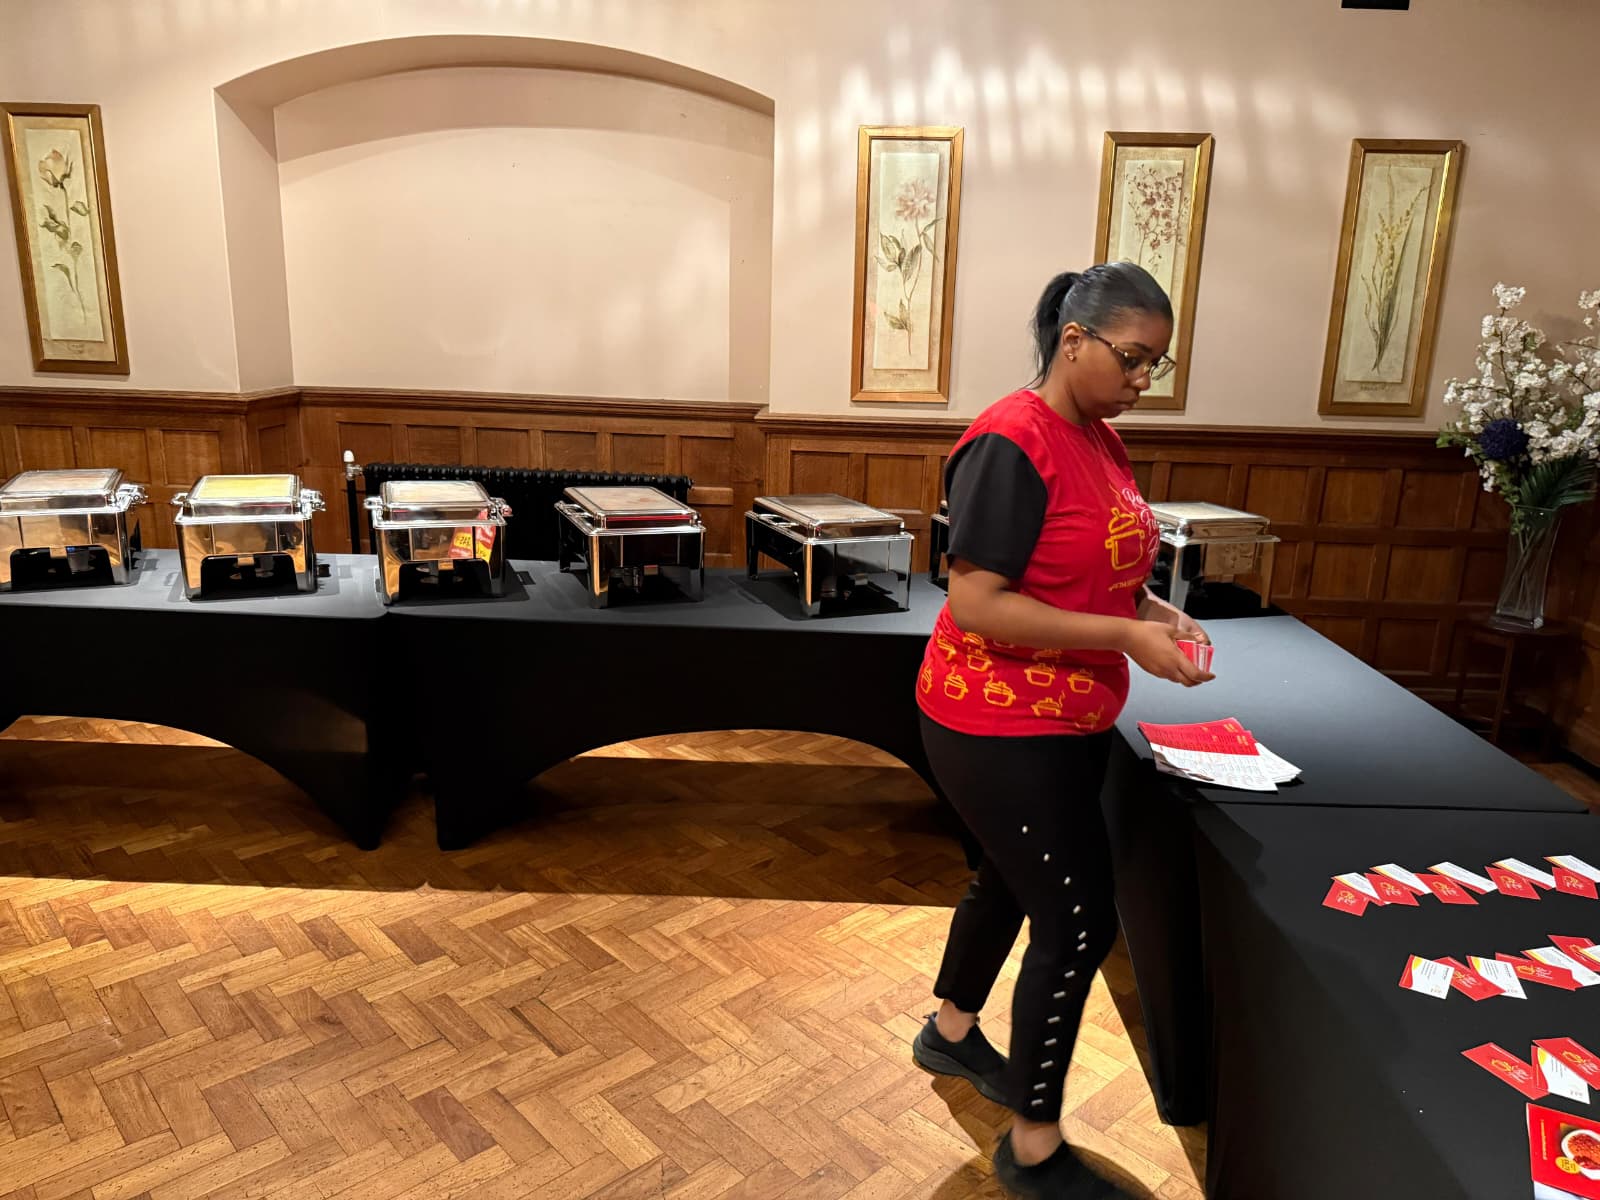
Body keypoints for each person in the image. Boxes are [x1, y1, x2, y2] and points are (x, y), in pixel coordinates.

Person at [909, 262, 1212, 1199]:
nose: (1142, 382)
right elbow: (981, 602)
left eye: (1155, 365)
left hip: (1064, 713)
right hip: (996, 717)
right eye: (1133, 358)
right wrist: (1125, 632)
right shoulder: (1012, 442)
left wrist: (1152, 612)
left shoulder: (1099, 438)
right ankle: (1032, 1143)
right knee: (1079, 921)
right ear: (1073, 341)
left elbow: (1097, 565)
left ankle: (951, 1030)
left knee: (1007, 877)